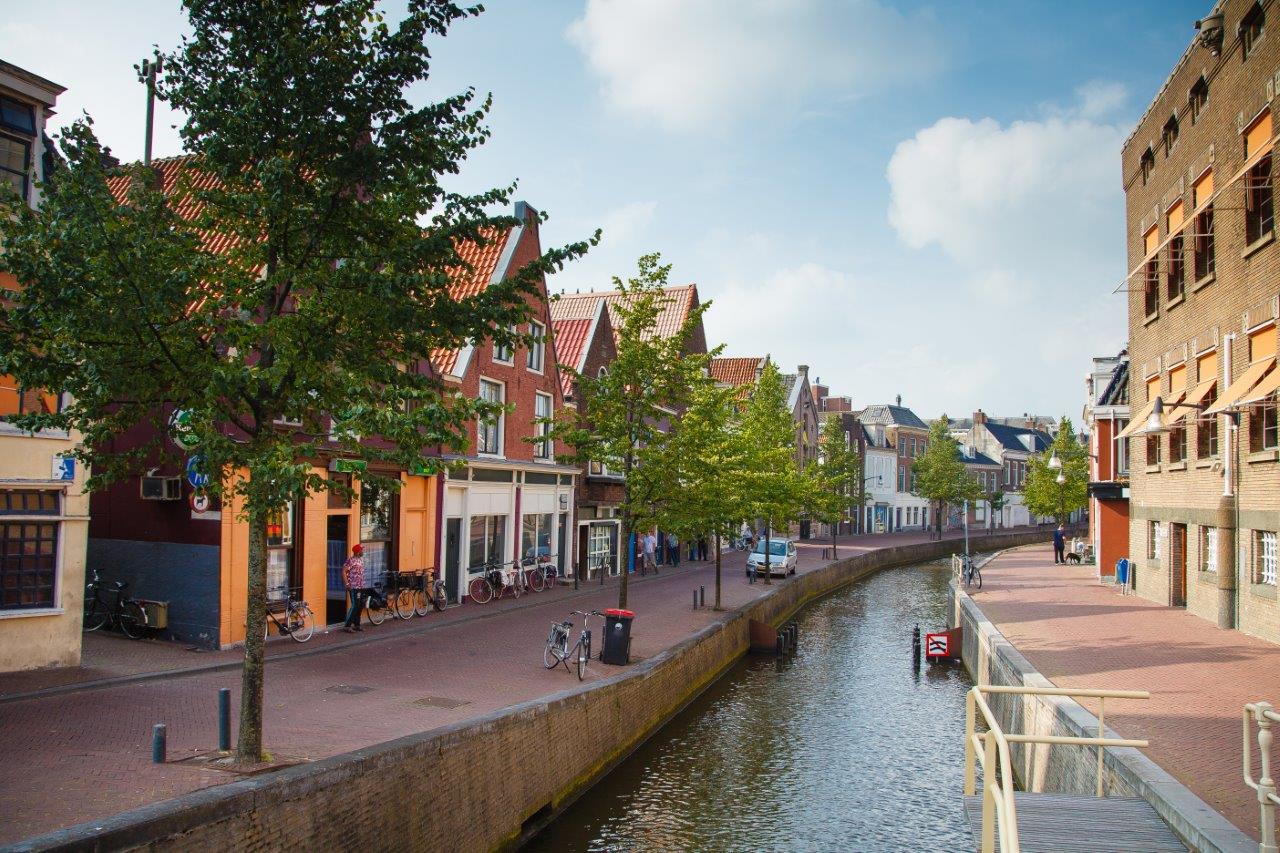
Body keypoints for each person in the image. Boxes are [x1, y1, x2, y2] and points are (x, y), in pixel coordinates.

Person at [342, 544, 366, 632]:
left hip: (361, 586)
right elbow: (344, 571)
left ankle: (357, 624)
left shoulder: (361, 560)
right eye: (361, 550)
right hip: (353, 586)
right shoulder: (350, 561)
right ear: (357, 551)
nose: (363, 551)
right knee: (355, 606)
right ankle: (347, 625)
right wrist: (347, 584)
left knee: (360, 606)